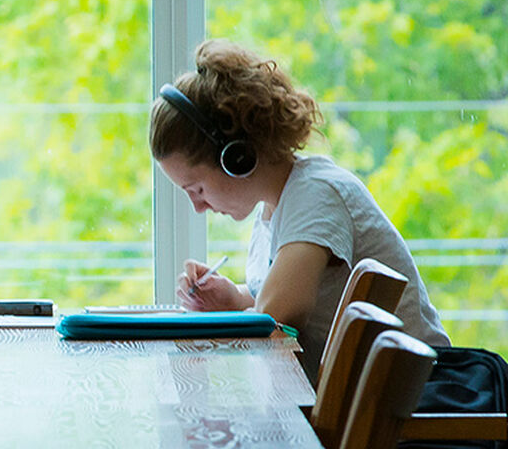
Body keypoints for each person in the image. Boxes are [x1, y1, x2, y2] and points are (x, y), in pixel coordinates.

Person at [148, 38, 449, 374]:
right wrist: (233, 298)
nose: (197, 206)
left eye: (197, 188)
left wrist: (243, 312)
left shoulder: (315, 195)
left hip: (415, 400)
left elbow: (279, 314)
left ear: (236, 156)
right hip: (376, 400)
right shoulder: (276, 207)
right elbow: (290, 298)